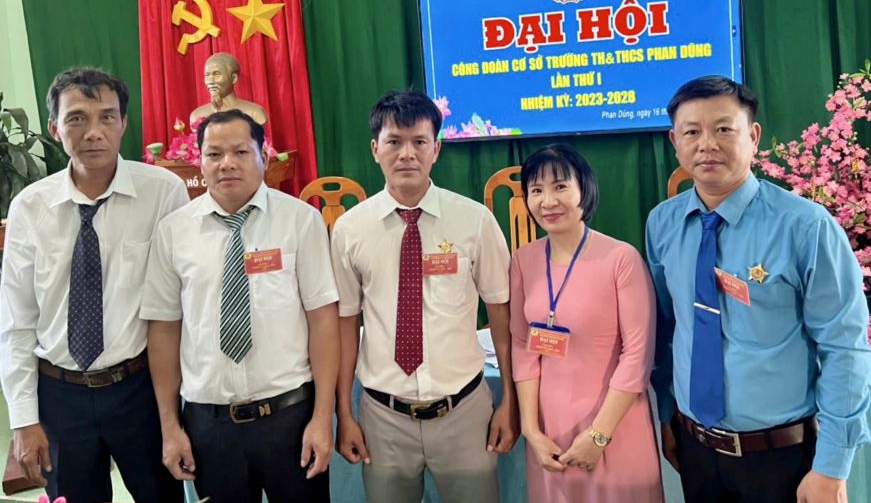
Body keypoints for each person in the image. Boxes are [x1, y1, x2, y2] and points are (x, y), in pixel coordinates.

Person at [646, 75, 871, 503]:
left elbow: (845, 346)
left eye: (723, 129)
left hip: (781, 458)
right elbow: (666, 328)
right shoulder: (663, 223)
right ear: (675, 141)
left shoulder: (806, 227)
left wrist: (832, 467)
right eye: (692, 131)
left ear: (752, 137)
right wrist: (667, 416)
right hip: (697, 449)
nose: (706, 143)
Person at [0, 67, 188, 502]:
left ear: (124, 122)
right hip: (59, 395)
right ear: (54, 128)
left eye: (107, 117)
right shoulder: (30, 207)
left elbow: (181, 302)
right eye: (77, 118)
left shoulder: (163, 193)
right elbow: (17, 321)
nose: (93, 132)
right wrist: (24, 419)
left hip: (138, 391)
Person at [330, 90, 518, 503]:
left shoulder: (474, 221)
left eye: (419, 142)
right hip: (383, 418)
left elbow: (502, 317)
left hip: (465, 413)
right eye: (394, 142)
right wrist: (345, 412)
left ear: (437, 149)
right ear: (375, 148)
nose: (407, 154)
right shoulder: (349, 229)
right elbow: (346, 326)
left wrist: (511, 401)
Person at [142, 109, 338, 503]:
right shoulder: (173, 232)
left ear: (263, 155)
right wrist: (169, 425)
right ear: (199, 161)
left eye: (240, 152)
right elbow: (164, 329)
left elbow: (323, 320)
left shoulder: (300, 221)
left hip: (290, 418)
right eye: (214, 154)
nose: (227, 163)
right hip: (209, 425)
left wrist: (322, 417)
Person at [509, 144, 662, 503]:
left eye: (560, 186)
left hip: (614, 426)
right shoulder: (523, 260)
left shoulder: (620, 258)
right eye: (536, 190)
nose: (548, 201)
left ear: (585, 189)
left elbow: (637, 355)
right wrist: (531, 431)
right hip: (550, 433)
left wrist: (598, 435)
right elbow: (522, 347)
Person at [189, 52, 268, 126]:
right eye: (207, 75)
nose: (210, 81)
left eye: (216, 74)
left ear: (234, 78)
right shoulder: (197, 116)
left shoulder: (254, 113)